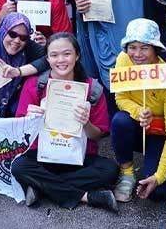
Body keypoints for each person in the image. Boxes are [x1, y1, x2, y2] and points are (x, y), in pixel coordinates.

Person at [11, 33, 119, 211]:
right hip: (42, 154)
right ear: (47, 59)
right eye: (54, 55)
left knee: (110, 170)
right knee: (18, 167)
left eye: (67, 54)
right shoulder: (34, 84)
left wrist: (86, 123)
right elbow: (20, 129)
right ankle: (87, 196)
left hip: (79, 155)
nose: (60, 60)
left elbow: (97, 135)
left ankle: (40, 187)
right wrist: (30, 118)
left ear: (77, 55)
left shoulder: (93, 89)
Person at [110, 19, 166, 203]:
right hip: (136, 128)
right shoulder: (123, 59)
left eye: (144, 48)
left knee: (157, 192)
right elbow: (120, 98)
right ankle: (127, 172)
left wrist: (159, 176)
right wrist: (138, 111)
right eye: (132, 47)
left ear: (155, 49)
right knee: (119, 120)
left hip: (160, 134)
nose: (137, 54)